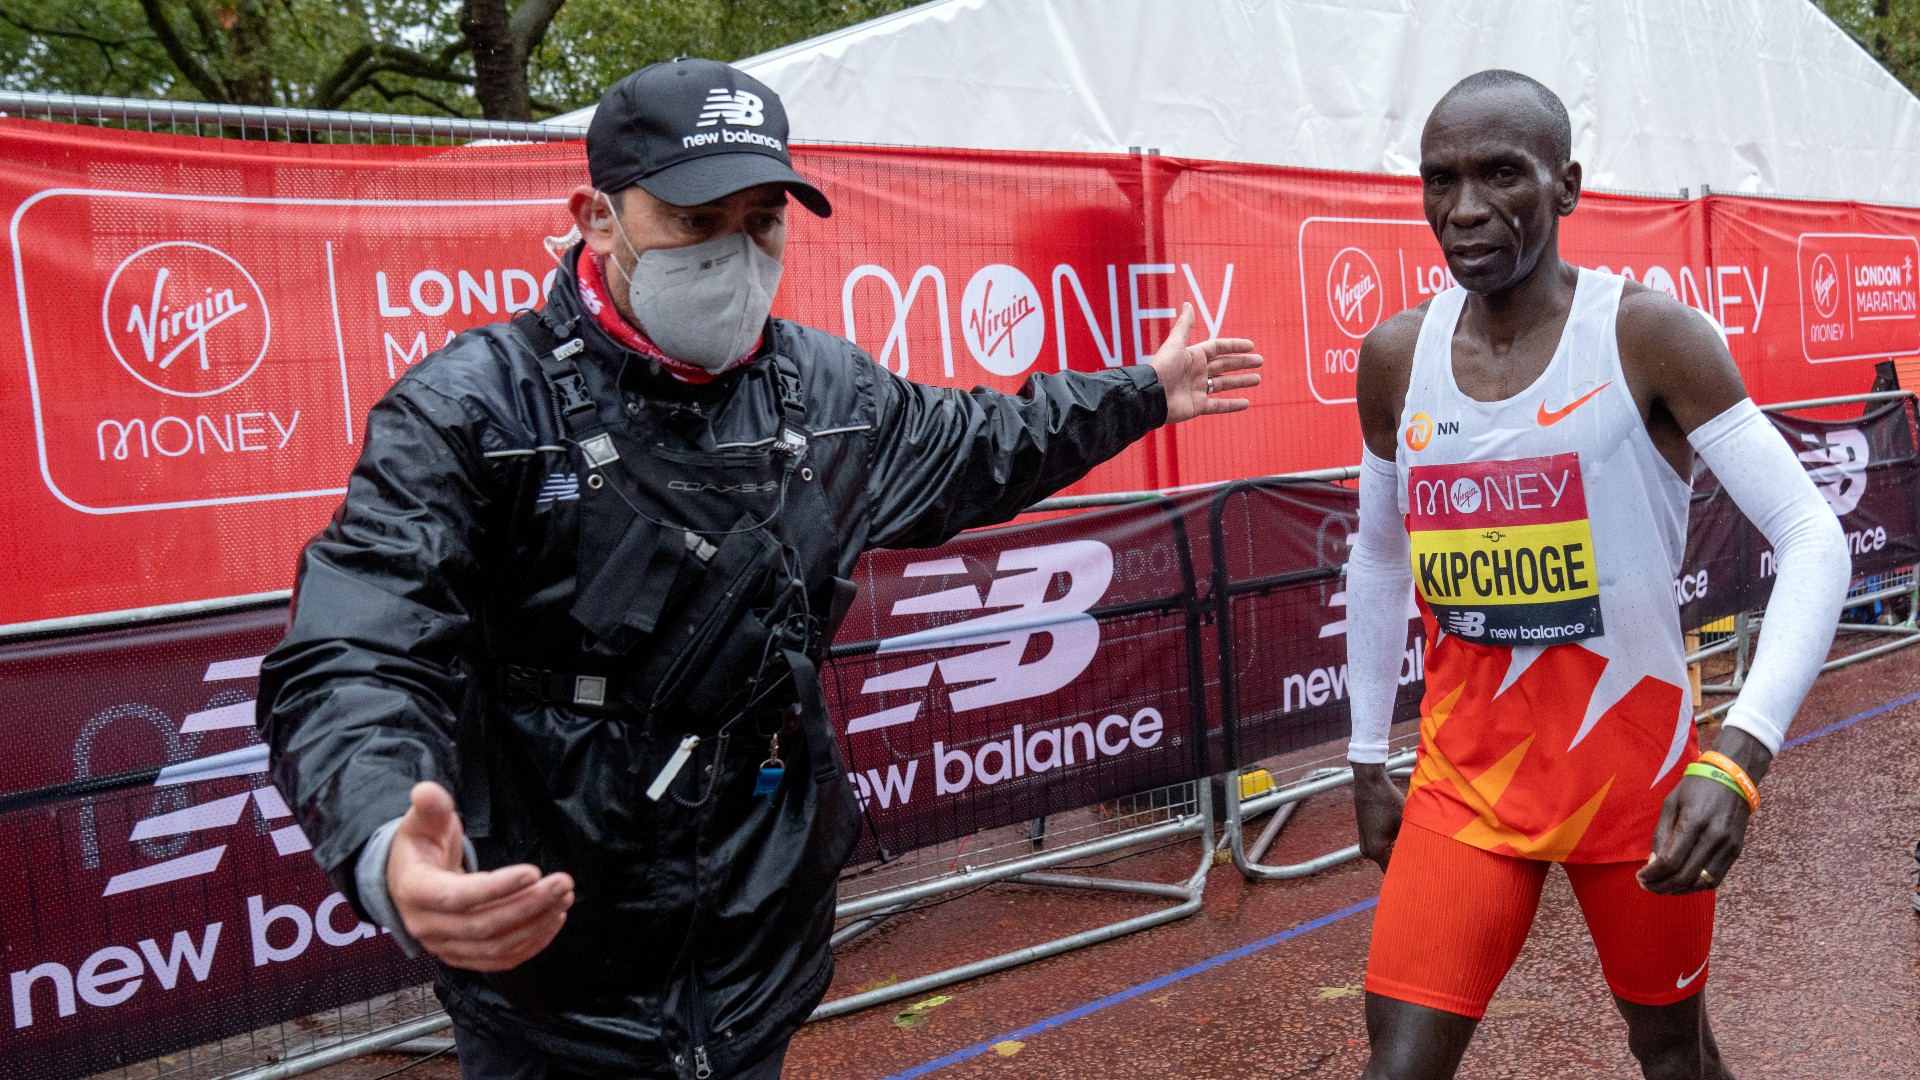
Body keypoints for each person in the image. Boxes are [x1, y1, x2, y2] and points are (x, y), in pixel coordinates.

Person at [256, 58, 1261, 1080]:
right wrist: (385, 840)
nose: (734, 254)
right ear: (596, 218)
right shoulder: (473, 410)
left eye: (763, 221)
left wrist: (1143, 391)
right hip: (550, 980)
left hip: (758, 964)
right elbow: (355, 647)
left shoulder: (827, 391)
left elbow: (987, 441)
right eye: (696, 221)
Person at [1342, 70, 1849, 1079]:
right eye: (1441, 179)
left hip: (1634, 785)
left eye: (1501, 174)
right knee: (1397, 1069)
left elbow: (1811, 534)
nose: (1465, 208)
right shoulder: (1396, 357)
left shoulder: (1647, 336)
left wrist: (1739, 758)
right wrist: (1364, 756)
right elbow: (1379, 553)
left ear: (1566, 186)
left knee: (1672, 1055)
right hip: (1465, 788)